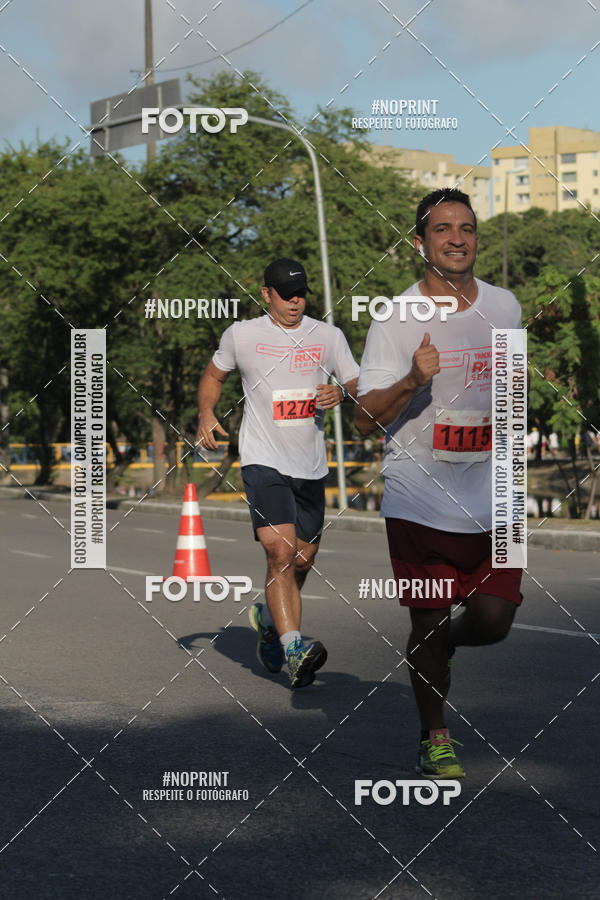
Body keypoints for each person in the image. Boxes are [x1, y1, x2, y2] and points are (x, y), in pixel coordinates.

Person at [355, 188, 523, 778]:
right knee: (428, 618)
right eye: (443, 228)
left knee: (495, 621)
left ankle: (433, 654)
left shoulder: (505, 307)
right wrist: (410, 379)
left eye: (467, 228)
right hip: (419, 496)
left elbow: (508, 390)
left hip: (496, 493)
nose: (457, 238)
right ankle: (434, 735)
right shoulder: (395, 317)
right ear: (419, 242)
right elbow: (361, 416)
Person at [196, 258, 359, 688]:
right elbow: (214, 375)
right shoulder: (242, 335)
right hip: (261, 459)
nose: (295, 301)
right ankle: (294, 649)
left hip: (309, 465)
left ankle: (267, 619)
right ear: (266, 294)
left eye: (301, 293)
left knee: (302, 560)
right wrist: (206, 412)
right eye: (285, 294)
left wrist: (340, 391)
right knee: (281, 553)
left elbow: (360, 384)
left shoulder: (328, 336)